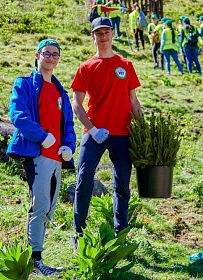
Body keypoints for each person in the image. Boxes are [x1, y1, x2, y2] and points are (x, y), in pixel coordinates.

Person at [6, 38, 76, 276]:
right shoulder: (24, 84)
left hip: (57, 158)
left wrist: (69, 146)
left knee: (49, 209)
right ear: (37, 55)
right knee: (40, 206)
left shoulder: (60, 91)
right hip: (37, 154)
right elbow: (18, 115)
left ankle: (36, 256)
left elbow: (68, 124)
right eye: (47, 53)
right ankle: (34, 262)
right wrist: (41, 136)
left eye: (55, 54)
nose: (51, 57)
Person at [71, 17, 142, 248]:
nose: (103, 37)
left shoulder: (126, 65)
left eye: (106, 32)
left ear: (113, 34)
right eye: (98, 33)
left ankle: (121, 236)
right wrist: (91, 129)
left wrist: (143, 129)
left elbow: (134, 101)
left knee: (122, 185)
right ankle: (78, 234)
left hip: (122, 134)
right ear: (93, 36)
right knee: (83, 182)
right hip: (94, 134)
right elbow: (77, 104)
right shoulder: (86, 67)